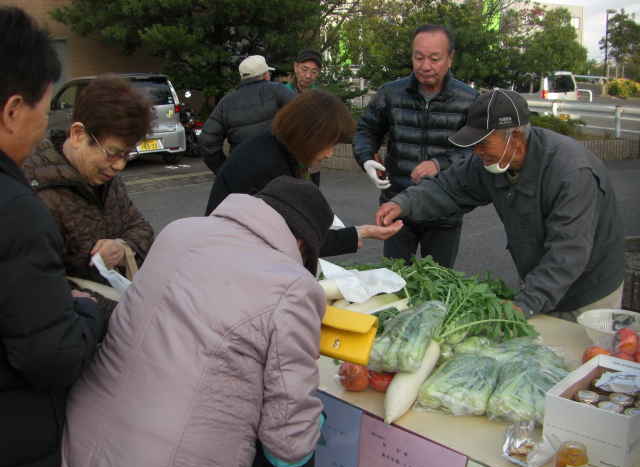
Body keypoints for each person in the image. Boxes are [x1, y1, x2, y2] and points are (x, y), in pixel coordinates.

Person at [62, 176, 334, 467]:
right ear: (300, 243)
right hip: (171, 463)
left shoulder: (178, 230)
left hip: (83, 430)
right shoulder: (294, 286)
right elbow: (287, 424)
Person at [376, 88, 625, 322]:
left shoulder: (571, 172)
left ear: (515, 137)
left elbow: (568, 253)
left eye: (484, 142)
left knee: (584, 360)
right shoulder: (492, 162)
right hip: (539, 283)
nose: (476, 151)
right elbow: (448, 187)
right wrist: (402, 204)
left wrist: (524, 303)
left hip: (588, 292)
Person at [0, 7, 104, 467]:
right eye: (45, 110)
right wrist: (84, 310)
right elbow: (52, 355)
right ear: (12, 111)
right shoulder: (17, 208)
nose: (47, 124)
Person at [204, 90, 403, 258]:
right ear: (309, 135)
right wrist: (362, 233)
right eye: (327, 144)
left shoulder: (271, 145)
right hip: (227, 258)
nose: (329, 154)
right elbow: (295, 240)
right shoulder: (269, 168)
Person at [23, 74, 155, 322]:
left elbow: (141, 227)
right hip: (84, 326)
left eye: (127, 155)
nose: (119, 166)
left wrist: (121, 247)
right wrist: (124, 315)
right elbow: (42, 289)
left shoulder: (104, 176)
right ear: (78, 134)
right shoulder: (39, 192)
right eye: (113, 153)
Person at [352, 24, 479, 268]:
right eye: (418, 57)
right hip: (397, 207)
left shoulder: (470, 100)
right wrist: (366, 156)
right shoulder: (391, 93)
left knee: (438, 286)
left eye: (434, 58)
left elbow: (477, 150)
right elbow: (366, 130)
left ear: (450, 58)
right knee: (394, 282)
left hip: (445, 210)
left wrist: (440, 164)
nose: (425, 66)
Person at [200, 55, 297, 175]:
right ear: (266, 75)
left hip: (241, 173)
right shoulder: (277, 90)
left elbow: (207, 141)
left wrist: (224, 171)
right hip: (276, 170)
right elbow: (305, 111)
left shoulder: (225, 102)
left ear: (242, 79)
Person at [286, 47, 323, 185]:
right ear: (296, 67)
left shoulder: (319, 98)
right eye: (304, 69)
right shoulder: (281, 93)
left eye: (314, 72)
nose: (308, 75)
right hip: (287, 161)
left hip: (311, 164)